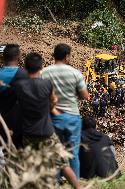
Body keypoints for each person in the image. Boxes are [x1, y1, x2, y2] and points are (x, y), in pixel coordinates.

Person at [14, 52, 80, 189]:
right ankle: (78, 187)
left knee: (29, 165)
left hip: (27, 133)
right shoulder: (47, 84)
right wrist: (50, 107)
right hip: (46, 132)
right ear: (41, 67)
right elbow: (54, 100)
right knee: (62, 164)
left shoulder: (19, 86)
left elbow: (17, 104)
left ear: (25, 68)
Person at [42, 43, 90, 179]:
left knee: (55, 152)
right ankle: (75, 183)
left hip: (52, 117)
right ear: (67, 56)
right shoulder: (75, 73)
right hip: (72, 118)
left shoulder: (44, 72)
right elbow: (85, 95)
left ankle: (55, 182)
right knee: (73, 153)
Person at [0, 44, 28, 148]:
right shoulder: (25, 75)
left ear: (3, 57)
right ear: (19, 57)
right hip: (19, 125)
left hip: (1, 123)